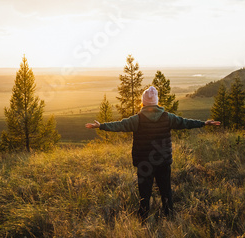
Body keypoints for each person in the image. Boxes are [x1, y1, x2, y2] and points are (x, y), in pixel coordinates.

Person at [85, 86, 220, 221]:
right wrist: (204, 123)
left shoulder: (137, 119)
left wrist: (101, 126)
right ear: (156, 102)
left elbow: (119, 125)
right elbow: (186, 123)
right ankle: (169, 217)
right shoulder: (168, 117)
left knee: (144, 193)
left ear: (143, 102)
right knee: (166, 191)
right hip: (163, 161)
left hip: (144, 163)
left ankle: (143, 219)